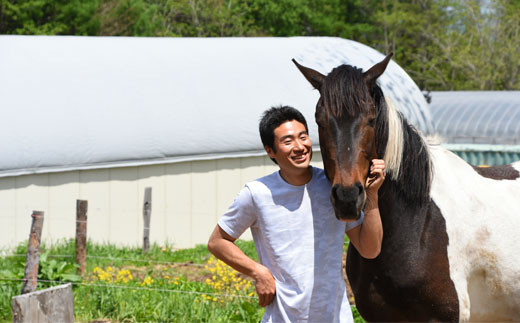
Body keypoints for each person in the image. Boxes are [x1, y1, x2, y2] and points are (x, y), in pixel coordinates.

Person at [207, 106, 385, 322]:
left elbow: (370, 249)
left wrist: (372, 195)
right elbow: (218, 242)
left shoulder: (332, 187)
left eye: (303, 137)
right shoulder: (257, 193)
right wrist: (258, 272)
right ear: (270, 151)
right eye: (288, 141)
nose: (300, 146)